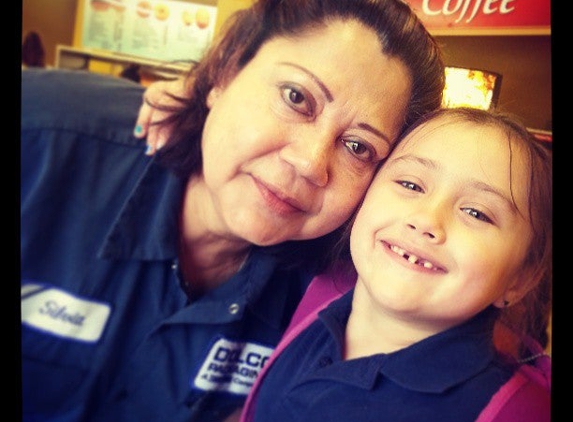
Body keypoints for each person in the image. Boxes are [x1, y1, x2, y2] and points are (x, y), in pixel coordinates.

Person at [20, 0, 445, 421]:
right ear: (225, 70)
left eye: (358, 147)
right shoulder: (41, 137)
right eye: (297, 98)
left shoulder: (335, 305)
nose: (311, 163)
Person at [239, 107, 552, 422]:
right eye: (411, 185)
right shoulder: (319, 291)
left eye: (476, 213)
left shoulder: (518, 412)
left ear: (521, 278)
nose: (426, 219)